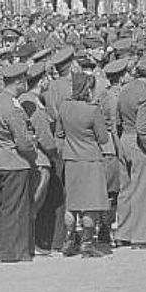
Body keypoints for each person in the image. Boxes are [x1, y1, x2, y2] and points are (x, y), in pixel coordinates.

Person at [55, 70, 110, 258]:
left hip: (71, 159)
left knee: (72, 203)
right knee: (90, 204)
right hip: (91, 159)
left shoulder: (64, 107)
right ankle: (87, 242)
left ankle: (69, 239)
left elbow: (59, 133)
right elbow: (103, 138)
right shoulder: (92, 110)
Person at [0, 64, 37, 262]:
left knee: (0, 206)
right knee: (15, 208)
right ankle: (13, 251)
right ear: (18, 82)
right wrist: (33, 147)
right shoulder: (13, 107)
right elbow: (23, 141)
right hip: (15, 161)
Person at [114, 56, 146, 248]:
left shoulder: (125, 89)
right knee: (143, 189)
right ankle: (141, 237)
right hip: (139, 141)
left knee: (125, 191)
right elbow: (143, 128)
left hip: (124, 138)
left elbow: (116, 119)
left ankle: (123, 233)